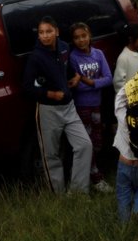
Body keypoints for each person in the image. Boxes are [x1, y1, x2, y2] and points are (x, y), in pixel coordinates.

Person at [22, 16, 92, 194]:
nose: (45, 36)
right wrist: (50, 94)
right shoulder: (36, 57)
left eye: (48, 32)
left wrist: (75, 76)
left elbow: (66, 69)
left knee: (84, 145)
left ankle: (77, 192)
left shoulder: (64, 48)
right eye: (41, 33)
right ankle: (58, 194)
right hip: (48, 110)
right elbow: (27, 88)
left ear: (57, 32)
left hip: (69, 107)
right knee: (51, 154)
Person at [69, 22, 113, 193]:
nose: (81, 40)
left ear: (89, 35)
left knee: (97, 142)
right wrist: (95, 83)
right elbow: (76, 86)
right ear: (73, 40)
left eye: (84, 36)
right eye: (77, 37)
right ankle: (95, 176)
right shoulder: (73, 57)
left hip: (97, 104)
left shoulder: (98, 54)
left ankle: (87, 170)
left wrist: (90, 82)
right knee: (87, 141)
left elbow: (108, 78)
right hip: (82, 106)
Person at [113, 24, 138, 222]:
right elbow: (118, 82)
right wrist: (130, 93)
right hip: (129, 103)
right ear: (132, 39)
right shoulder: (123, 58)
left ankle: (127, 217)